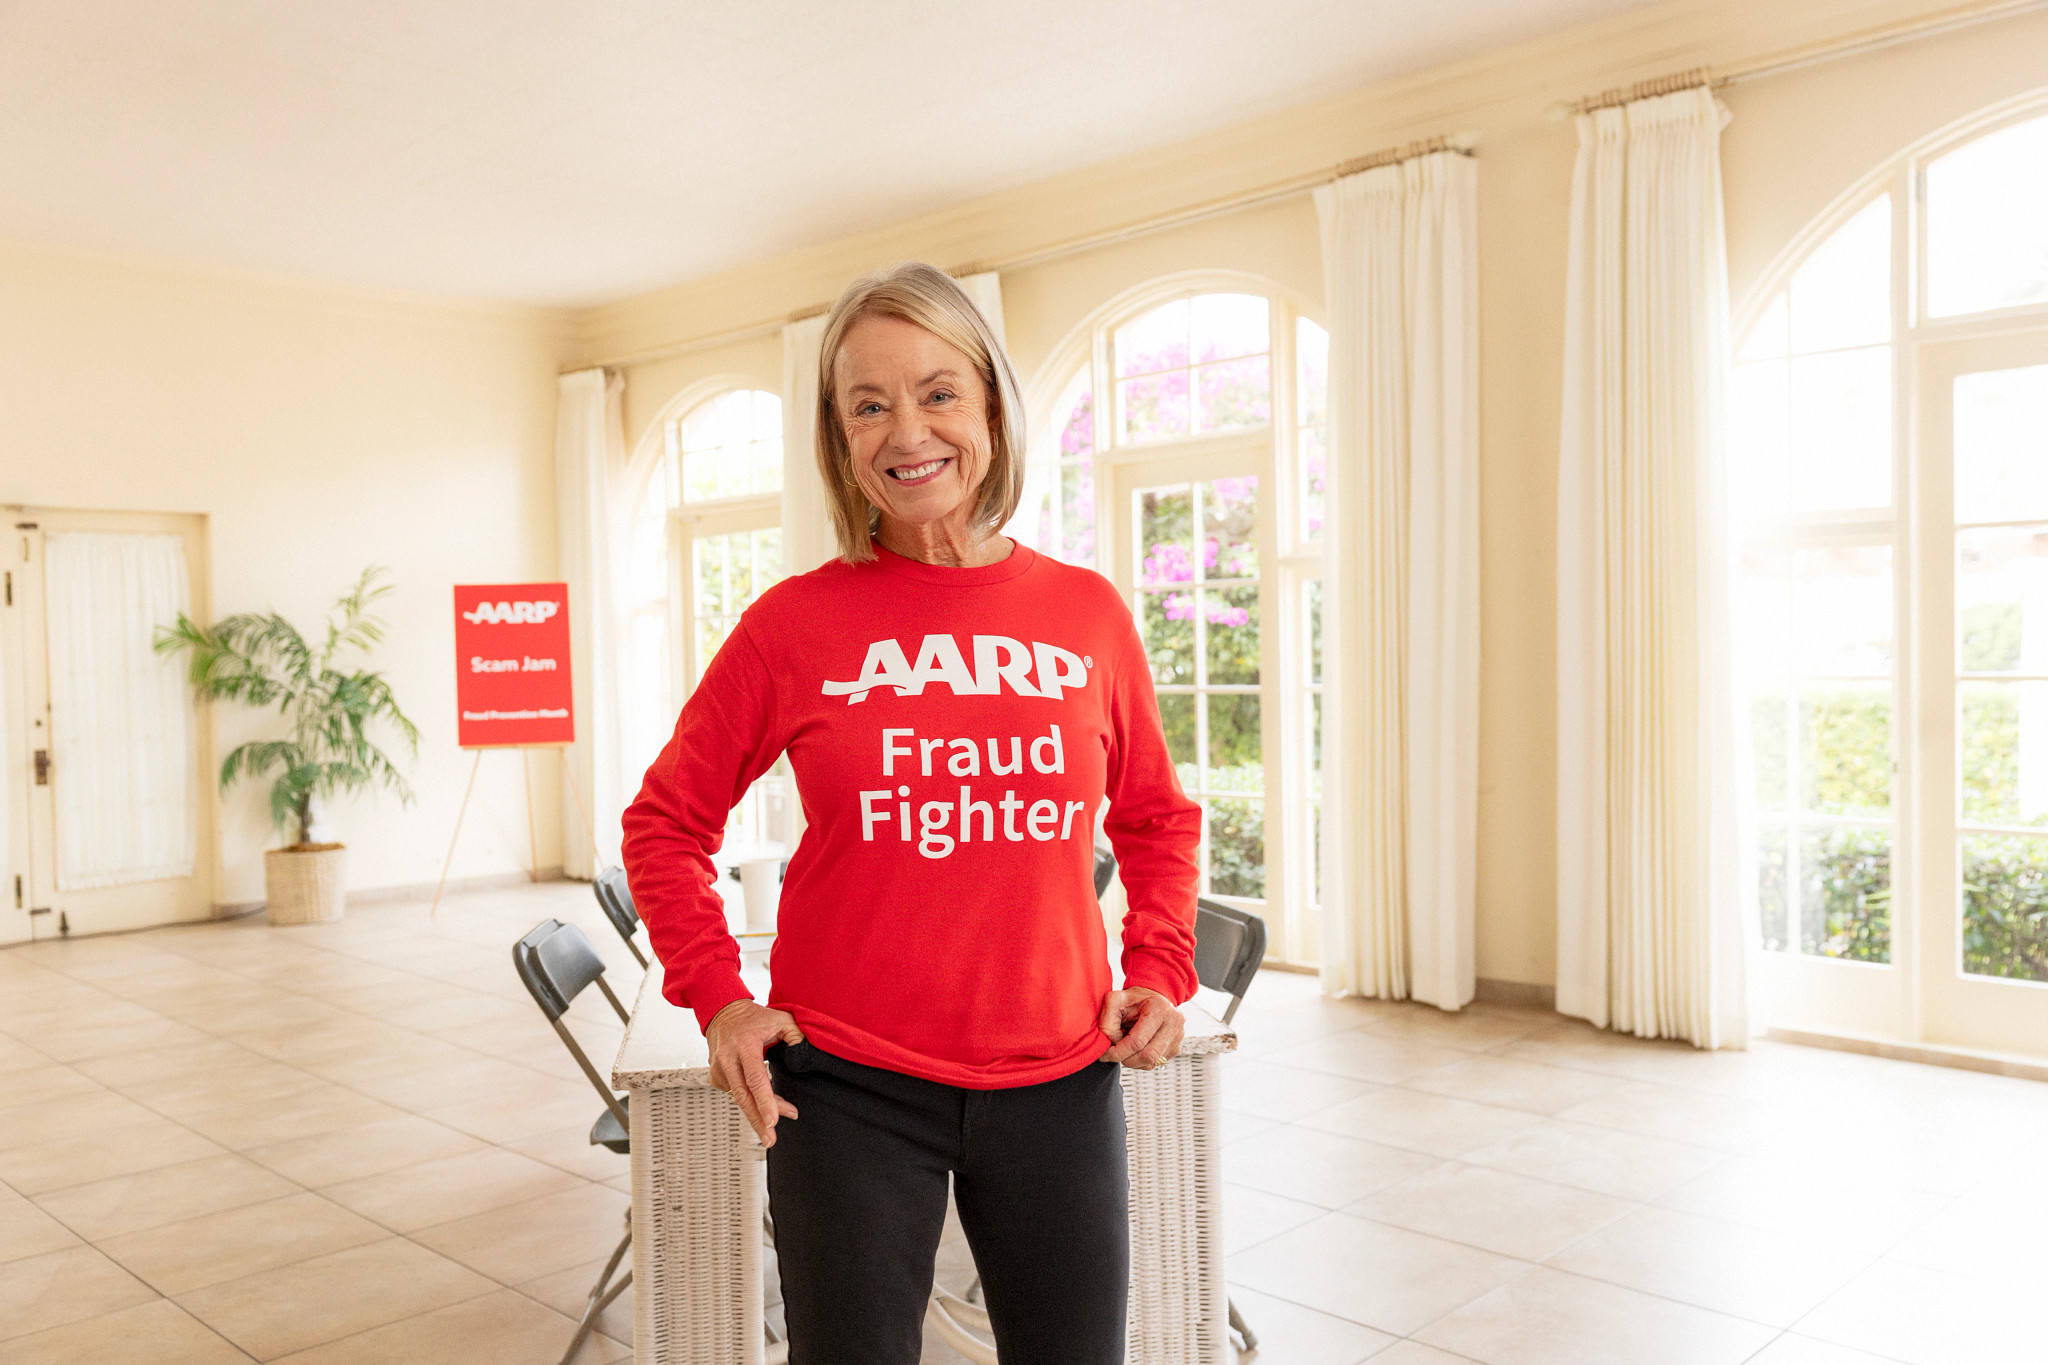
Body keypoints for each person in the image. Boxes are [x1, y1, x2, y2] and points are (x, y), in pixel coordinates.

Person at [621, 260, 1201, 1365]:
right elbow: (664, 824)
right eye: (867, 404)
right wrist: (718, 1001)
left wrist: (1159, 966)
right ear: (840, 439)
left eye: (937, 391)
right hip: (846, 1092)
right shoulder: (792, 627)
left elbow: (1157, 818)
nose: (906, 429)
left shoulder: (1083, 615)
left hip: (1059, 1079)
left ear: (990, 405)